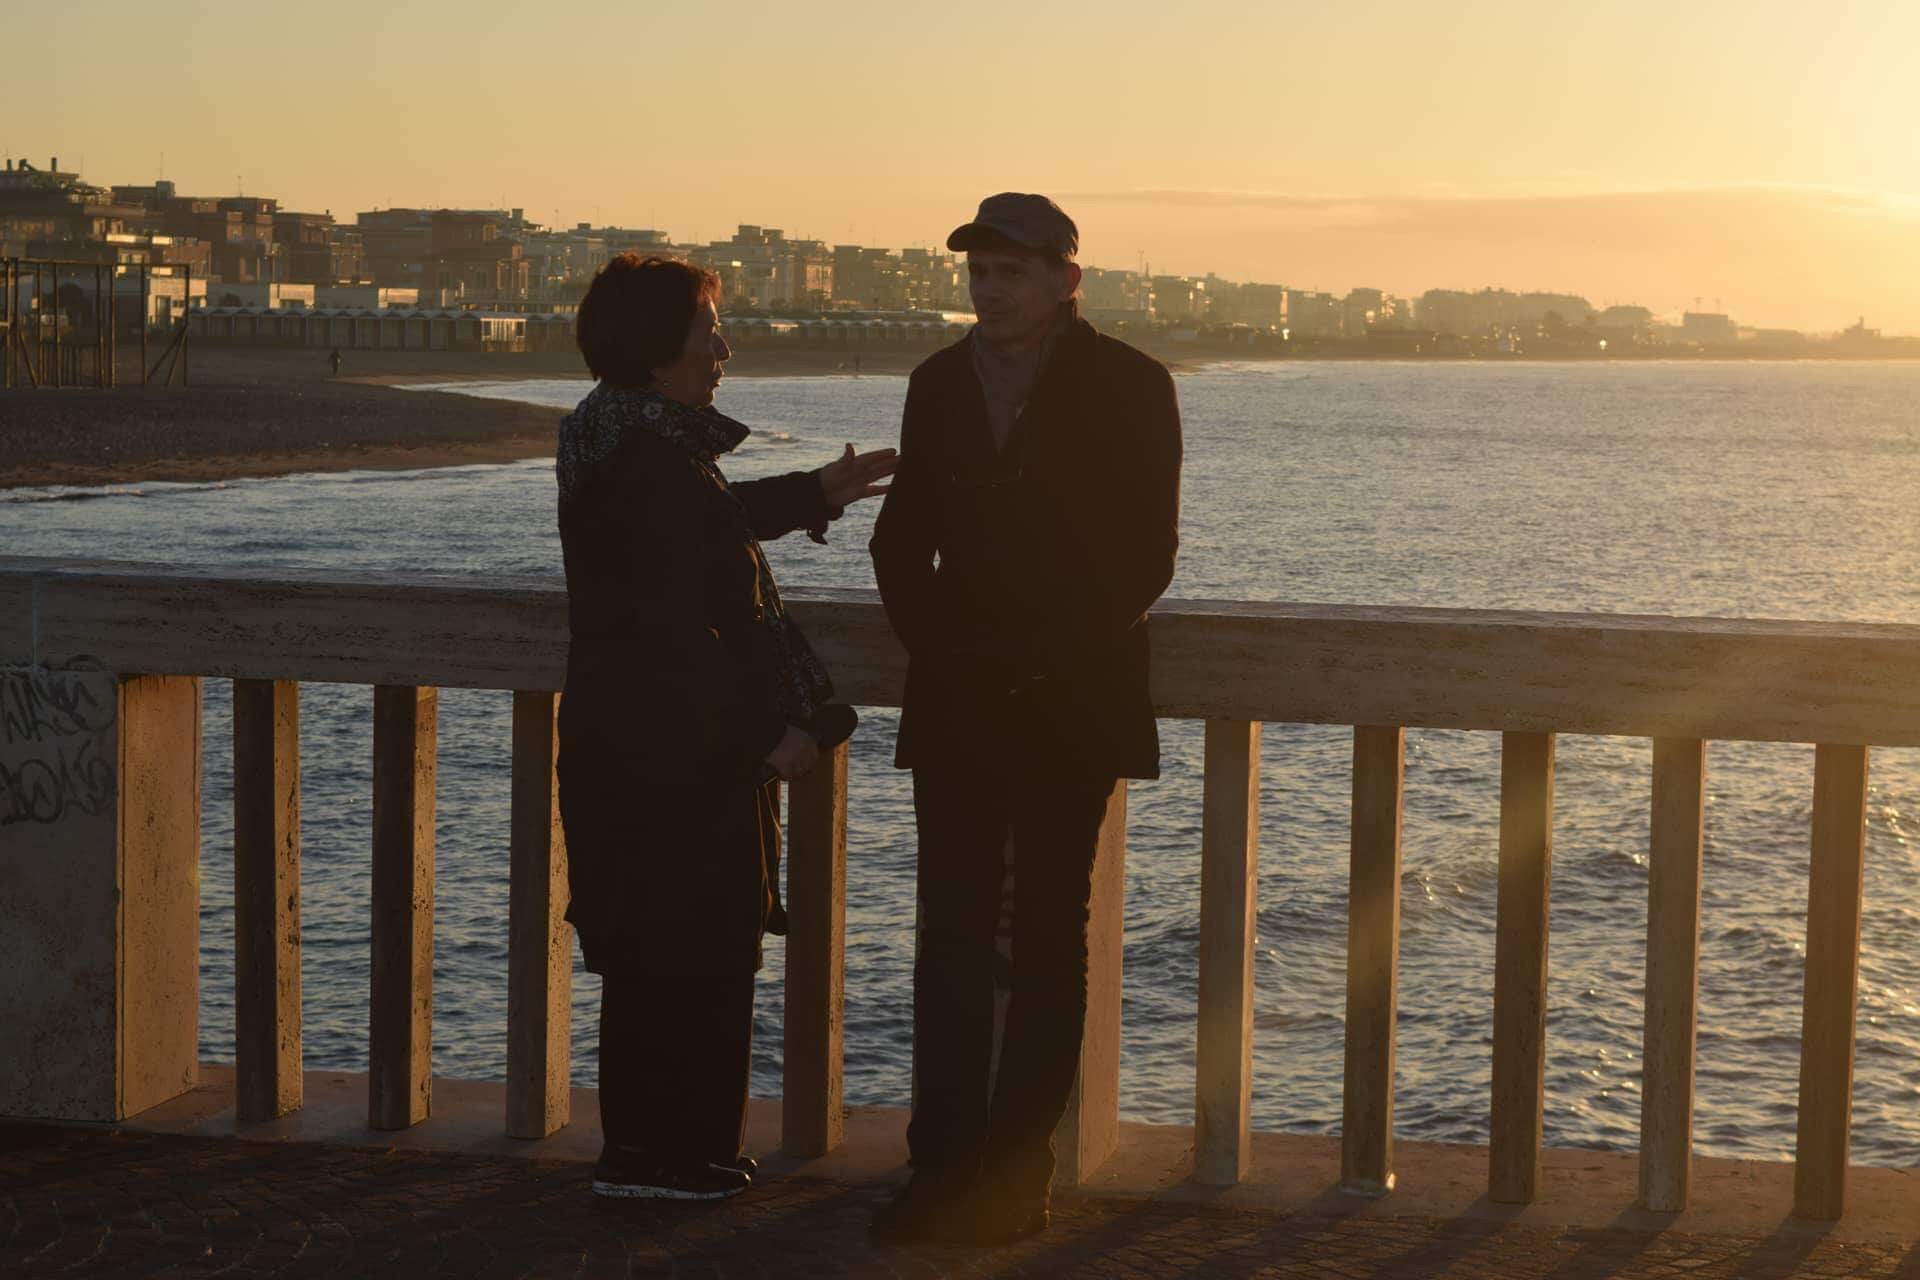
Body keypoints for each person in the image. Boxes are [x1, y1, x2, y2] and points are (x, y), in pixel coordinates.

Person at [867, 194, 1183, 1244]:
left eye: (1009, 271)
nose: (987, 288)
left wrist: (1040, 660)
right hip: (958, 696)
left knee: (1048, 937)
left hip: (1070, 698)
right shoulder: (937, 383)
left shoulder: (1132, 384)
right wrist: (944, 651)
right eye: (978, 270)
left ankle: (1018, 1172)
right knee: (949, 937)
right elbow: (900, 541)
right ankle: (941, 1167)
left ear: (1064, 281)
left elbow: (1147, 554)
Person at [556, 253, 895, 1201]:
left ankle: (668, 1154)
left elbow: (708, 528)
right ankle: (660, 1160)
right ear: (659, 349)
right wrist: (769, 735)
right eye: (710, 332)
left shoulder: (621, 437)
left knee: (660, 958)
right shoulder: (648, 456)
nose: (724, 349)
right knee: (689, 956)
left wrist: (813, 494)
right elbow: (681, 625)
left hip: (632, 750)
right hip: (673, 756)